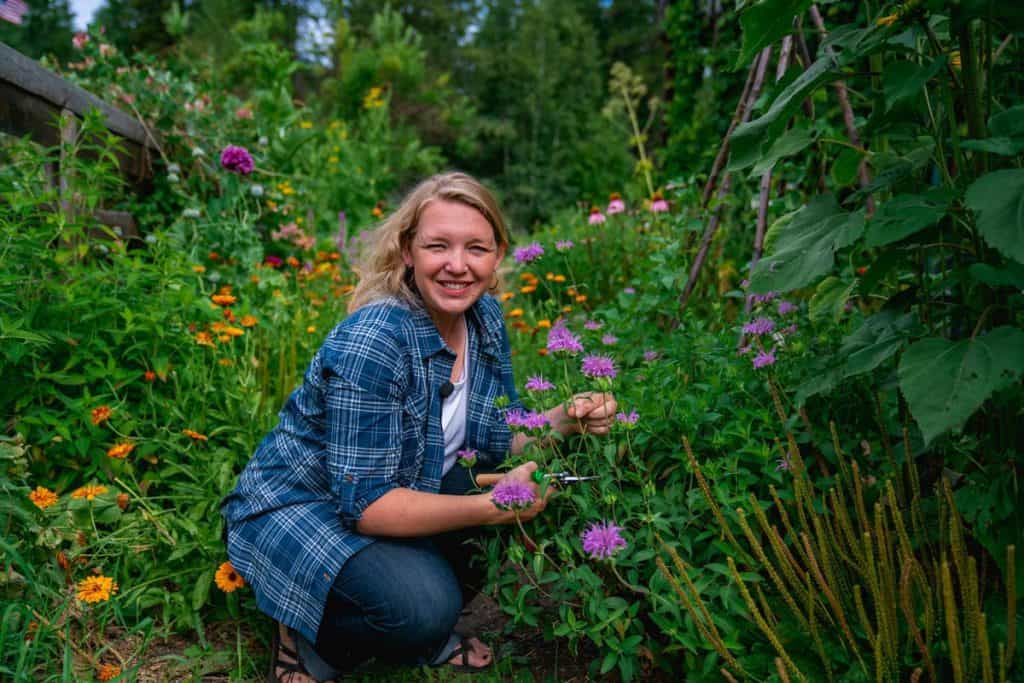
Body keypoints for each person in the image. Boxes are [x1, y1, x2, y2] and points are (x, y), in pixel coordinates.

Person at [221, 171, 616, 682]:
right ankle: (308, 641)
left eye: (477, 247)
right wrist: (488, 508)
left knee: (488, 483)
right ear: (408, 251)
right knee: (422, 608)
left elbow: (496, 437)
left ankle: (408, 617)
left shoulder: (485, 319)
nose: (458, 265)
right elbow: (364, 504)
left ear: (498, 256)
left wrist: (567, 418)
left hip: (402, 486)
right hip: (303, 504)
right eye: (438, 246)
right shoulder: (377, 340)